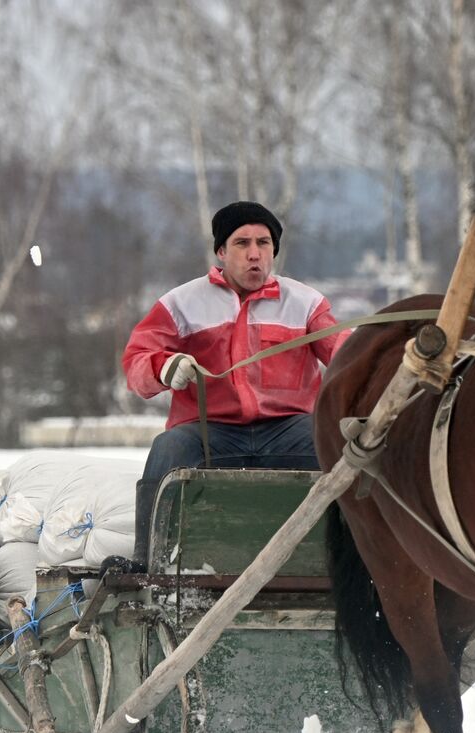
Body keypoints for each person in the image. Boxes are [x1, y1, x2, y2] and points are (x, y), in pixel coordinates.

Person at [122, 201, 345, 563]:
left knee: (336, 445)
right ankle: (148, 562)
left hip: (289, 431)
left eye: (264, 243)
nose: (254, 254)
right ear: (222, 251)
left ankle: (351, 559)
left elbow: (344, 353)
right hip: (208, 432)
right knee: (168, 449)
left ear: (274, 251)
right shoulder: (181, 303)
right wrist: (165, 366)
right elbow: (135, 361)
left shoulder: (305, 304)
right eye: (242, 244)